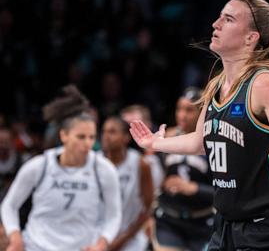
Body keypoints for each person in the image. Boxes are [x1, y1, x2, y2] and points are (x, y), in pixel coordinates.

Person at [129, 0, 269, 250]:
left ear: (250, 37)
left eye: (228, 19)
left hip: (268, 227)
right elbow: (201, 140)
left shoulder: (264, 84)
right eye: (220, 16)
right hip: (226, 225)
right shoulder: (216, 84)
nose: (215, 24)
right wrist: (157, 142)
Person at [1, 85, 121, 251]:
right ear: (64, 135)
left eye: (92, 137)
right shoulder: (39, 165)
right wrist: (15, 237)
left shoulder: (103, 169)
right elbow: (9, 205)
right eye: (81, 137)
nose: (87, 143)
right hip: (37, 245)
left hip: (81, 247)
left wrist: (102, 242)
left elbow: (114, 215)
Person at [153, 87, 214, 251]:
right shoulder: (165, 140)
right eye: (179, 109)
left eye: (189, 110)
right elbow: (151, 182)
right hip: (169, 220)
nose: (182, 115)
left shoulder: (213, 142)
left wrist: (195, 188)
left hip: (203, 221)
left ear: (202, 112)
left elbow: (225, 190)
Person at [101, 116, 154, 251]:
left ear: (126, 137)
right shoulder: (95, 163)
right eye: (104, 131)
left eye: (112, 132)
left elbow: (148, 207)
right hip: (99, 235)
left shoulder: (140, 163)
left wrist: (123, 239)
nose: (106, 136)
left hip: (130, 237)